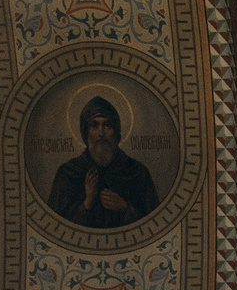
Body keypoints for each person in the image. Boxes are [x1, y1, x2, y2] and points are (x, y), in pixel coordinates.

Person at [49, 96, 158, 229]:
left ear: (116, 132)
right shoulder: (68, 173)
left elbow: (155, 225)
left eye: (107, 125)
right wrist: (87, 203)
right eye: (94, 125)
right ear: (85, 132)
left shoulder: (137, 172)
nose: (101, 133)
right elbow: (55, 227)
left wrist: (124, 207)